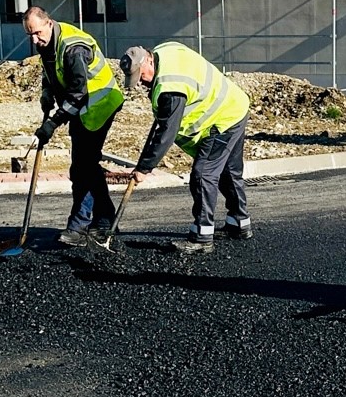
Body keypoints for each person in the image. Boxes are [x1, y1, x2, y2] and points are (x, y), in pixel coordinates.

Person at [107, 42, 251, 254]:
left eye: (141, 75)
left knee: (203, 175)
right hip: (235, 106)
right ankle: (239, 224)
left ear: (148, 60)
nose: (140, 83)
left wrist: (144, 168)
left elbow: (167, 132)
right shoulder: (165, 50)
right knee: (229, 171)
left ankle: (202, 238)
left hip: (221, 120)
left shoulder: (170, 88)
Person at [22, 4, 125, 246]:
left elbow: (78, 95)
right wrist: (47, 93)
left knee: (82, 167)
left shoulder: (73, 48)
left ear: (49, 23)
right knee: (85, 166)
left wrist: (53, 123)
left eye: (37, 33)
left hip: (99, 105)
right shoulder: (48, 43)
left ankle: (78, 227)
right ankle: (105, 219)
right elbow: (51, 73)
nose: (35, 40)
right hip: (82, 108)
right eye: (30, 35)